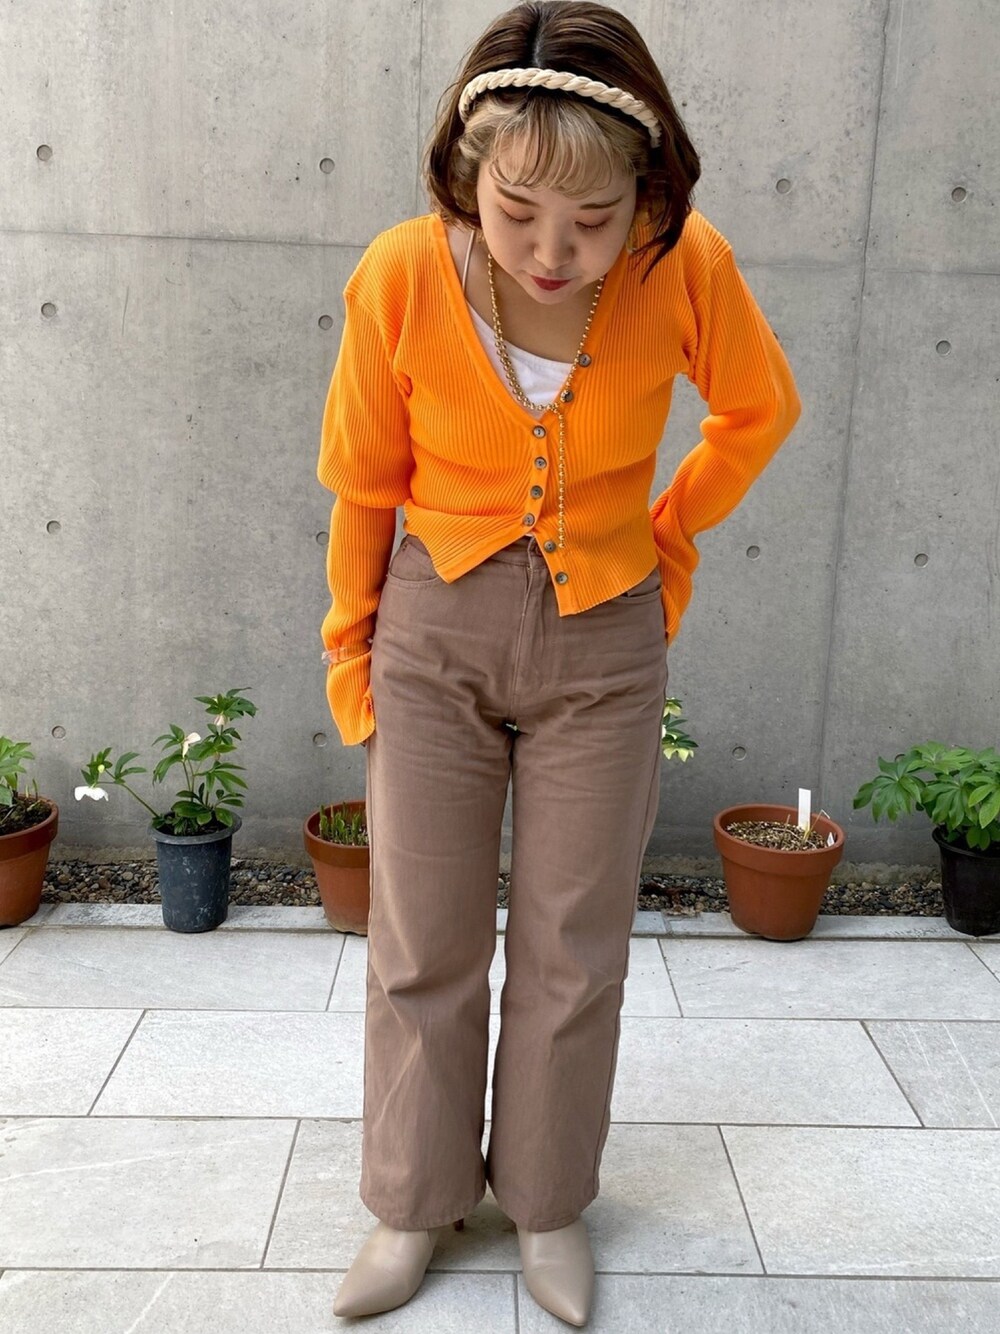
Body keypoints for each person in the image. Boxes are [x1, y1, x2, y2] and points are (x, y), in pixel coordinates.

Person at [317, 1, 801, 1324]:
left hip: (607, 640)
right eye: (518, 212)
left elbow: (760, 407)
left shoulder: (682, 263)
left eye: (592, 221)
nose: (551, 251)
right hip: (434, 631)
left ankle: (546, 1202)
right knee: (420, 937)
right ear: (466, 172)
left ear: (644, 195)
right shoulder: (400, 274)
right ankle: (411, 1200)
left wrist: (669, 532)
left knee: (576, 945)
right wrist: (350, 650)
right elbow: (363, 482)